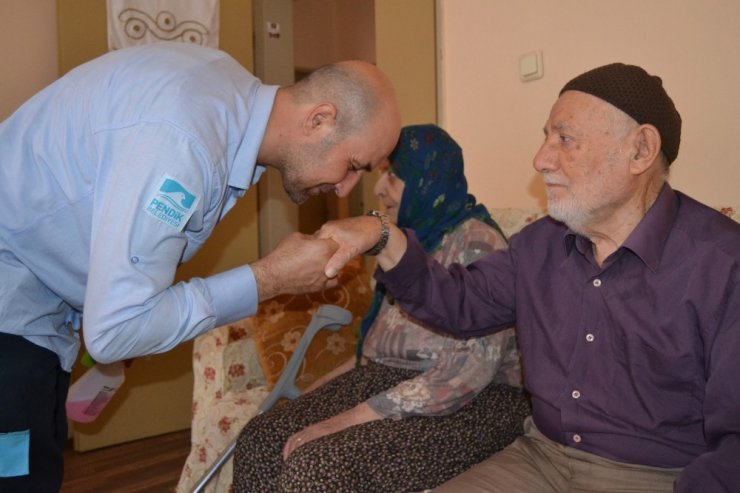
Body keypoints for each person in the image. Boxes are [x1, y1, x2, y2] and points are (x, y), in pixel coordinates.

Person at [314, 64, 740, 492]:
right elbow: (458, 302)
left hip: (659, 478)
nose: (541, 159)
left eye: (565, 139)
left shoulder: (723, 264)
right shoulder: (539, 245)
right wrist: (381, 235)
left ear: (641, 150)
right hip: (539, 458)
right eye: (545, 137)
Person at [0, 41, 400, 492]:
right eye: (351, 165)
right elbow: (113, 332)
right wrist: (269, 278)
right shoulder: (185, 143)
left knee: (37, 467)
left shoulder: (220, 90)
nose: (345, 190)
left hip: (39, 312)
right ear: (319, 119)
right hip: (11, 306)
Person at [231, 124, 531, 493]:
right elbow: (373, 352)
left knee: (318, 464)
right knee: (262, 436)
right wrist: (315, 396)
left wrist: (342, 421)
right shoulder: (402, 243)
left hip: (471, 398)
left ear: (427, 178)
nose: (377, 187)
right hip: (388, 380)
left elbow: (464, 374)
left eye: (393, 173)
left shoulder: (478, 241)